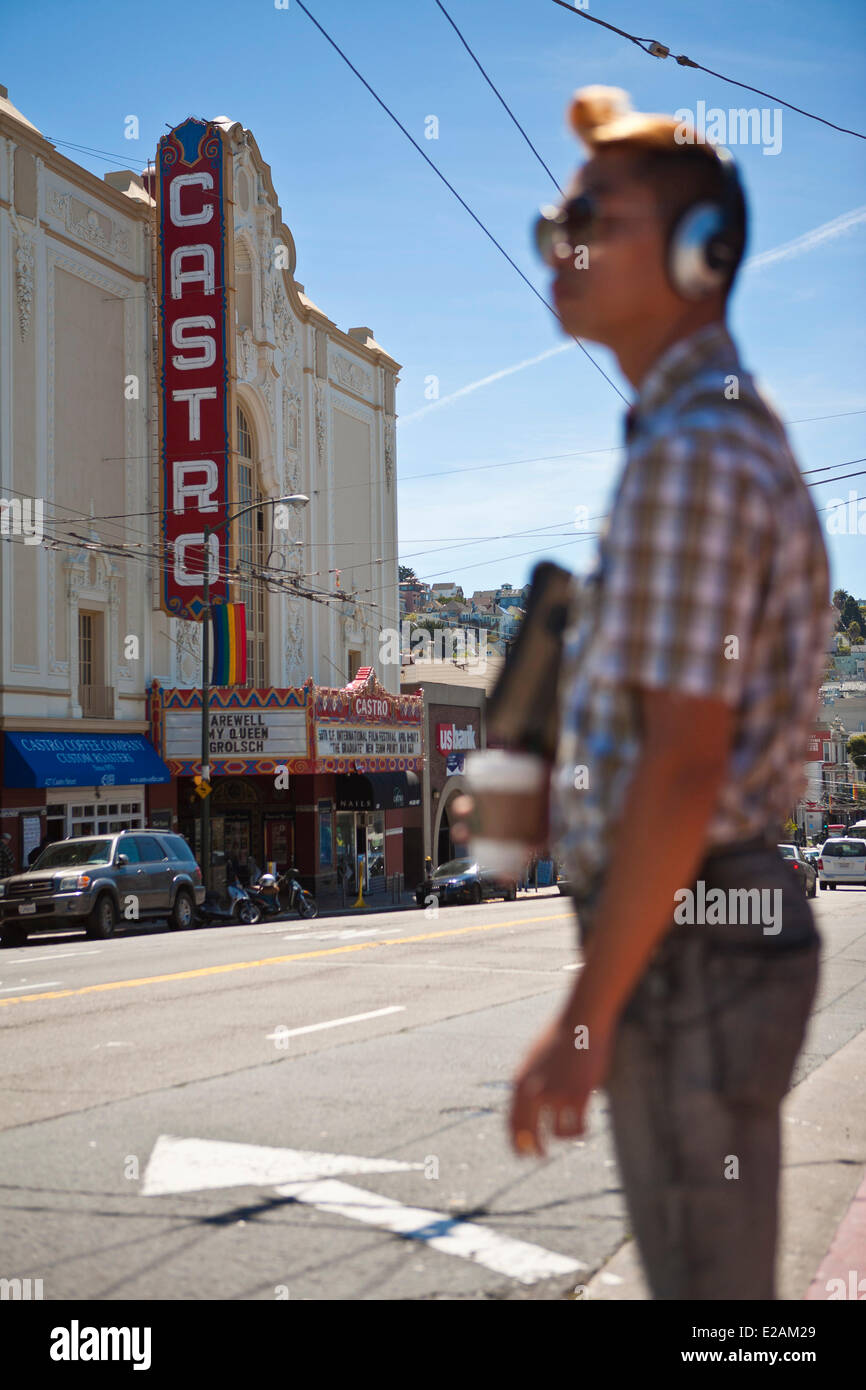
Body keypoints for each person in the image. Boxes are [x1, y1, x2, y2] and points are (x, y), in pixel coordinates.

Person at [467, 87, 831, 1301]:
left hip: (690, 956)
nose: (552, 238)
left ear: (697, 254)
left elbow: (683, 770)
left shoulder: (688, 458)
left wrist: (578, 1026)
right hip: (703, 940)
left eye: (588, 216)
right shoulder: (710, 436)